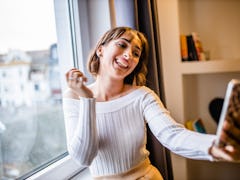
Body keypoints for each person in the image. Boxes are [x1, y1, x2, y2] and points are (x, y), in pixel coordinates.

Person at [63, 26, 240, 180]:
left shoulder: (143, 96)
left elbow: (172, 135)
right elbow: (83, 158)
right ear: (100, 50)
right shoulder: (74, 97)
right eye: (122, 44)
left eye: (136, 53)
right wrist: (87, 100)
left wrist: (213, 147)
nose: (128, 55)